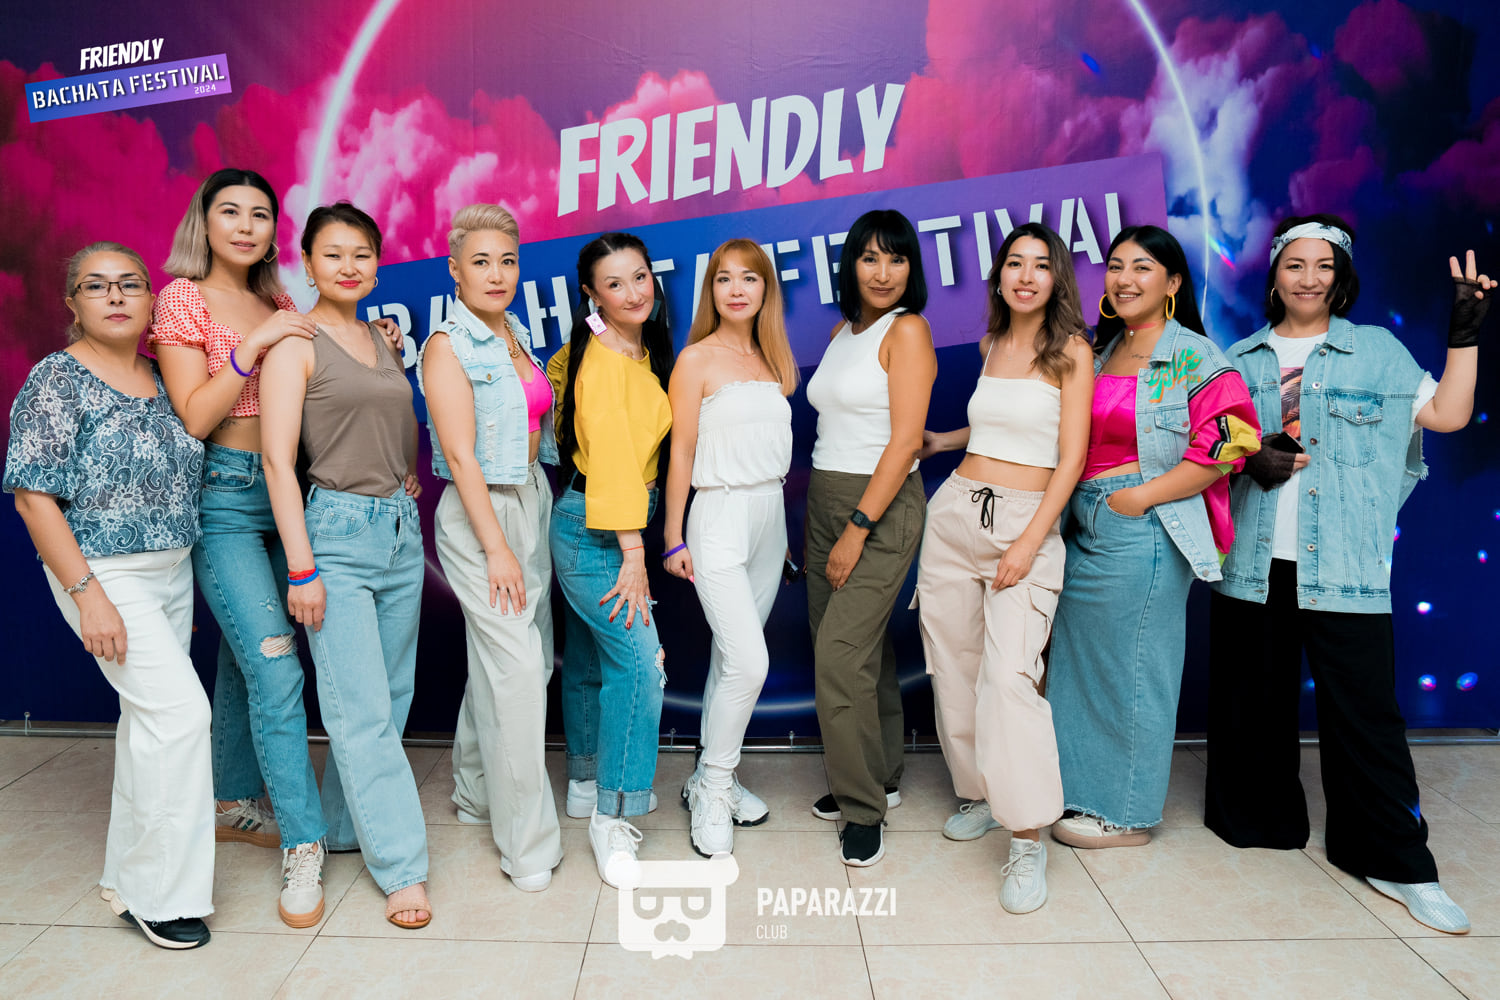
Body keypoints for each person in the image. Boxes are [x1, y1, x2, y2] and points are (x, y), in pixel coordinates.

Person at [1204, 215, 1489, 935]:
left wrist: (1464, 333)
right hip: (1252, 569)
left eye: (1323, 266)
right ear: (1274, 275)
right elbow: (1202, 454)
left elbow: (1449, 415)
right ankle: (1260, 824)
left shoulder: (1379, 353)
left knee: (1365, 717)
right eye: (1294, 265)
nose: (1308, 278)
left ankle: (1395, 860)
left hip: (1345, 568)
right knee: (1251, 705)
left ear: (1341, 277)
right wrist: (1245, 457)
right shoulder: (1236, 359)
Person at [6, 243, 211, 949]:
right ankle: (160, 897)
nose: (116, 296)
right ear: (73, 303)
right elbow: (33, 499)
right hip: (103, 573)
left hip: (172, 570)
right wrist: (88, 594)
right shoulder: (56, 380)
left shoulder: (163, 375)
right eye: (97, 286)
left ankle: (127, 875)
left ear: (152, 299)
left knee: (147, 721)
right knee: (182, 716)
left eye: (130, 284)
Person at [1046, 224, 1260, 851]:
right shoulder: (1101, 347)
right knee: (1081, 665)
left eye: (1142, 267)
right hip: (1083, 520)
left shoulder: (1192, 355)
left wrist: (1141, 496)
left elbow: (1233, 444)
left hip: (1144, 525)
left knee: (1136, 666)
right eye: (1116, 265)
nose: (1125, 278)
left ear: (1172, 283)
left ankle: (1127, 814)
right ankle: (1078, 791)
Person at [260, 202, 431, 929]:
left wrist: (403, 478)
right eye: (333, 254)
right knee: (359, 711)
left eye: (362, 253)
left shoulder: (383, 338)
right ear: (308, 264)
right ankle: (402, 869)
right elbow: (277, 460)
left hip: (399, 531)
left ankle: (340, 828)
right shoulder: (294, 344)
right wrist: (301, 567)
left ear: (377, 264)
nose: (349, 266)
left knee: (388, 698)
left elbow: (391, 424)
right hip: (333, 536)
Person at [916, 223, 1094, 911]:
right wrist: (944, 440)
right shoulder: (991, 343)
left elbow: (1069, 456)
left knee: (1009, 678)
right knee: (954, 667)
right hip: (957, 512)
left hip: (1026, 523)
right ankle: (982, 797)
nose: (1025, 275)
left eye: (1040, 265)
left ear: (1056, 279)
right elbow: (1002, 425)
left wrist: (1029, 542)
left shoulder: (1071, 350)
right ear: (999, 277)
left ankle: (1026, 839)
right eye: (1014, 263)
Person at [151, 168, 301, 864]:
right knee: (272, 660)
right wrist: (254, 344)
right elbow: (195, 415)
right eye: (231, 212)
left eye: (260, 214)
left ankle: (231, 800)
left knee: (245, 656)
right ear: (204, 222)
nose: (246, 226)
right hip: (227, 493)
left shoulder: (277, 297)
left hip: (289, 488)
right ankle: (293, 828)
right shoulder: (182, 298)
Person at [418, 203, 563, 891]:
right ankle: (526, 845)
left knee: (512, 662)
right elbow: (459, 455)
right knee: (518, 675)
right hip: (484, 515)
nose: (496, 273)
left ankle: (475, 789)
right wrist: (496, 548)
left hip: (531, 496)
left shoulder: (515, 334)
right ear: (455, 270)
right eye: (481, 262)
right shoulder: (447, 347)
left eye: (507, 260)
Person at [804, 209, 937, 867]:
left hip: (877, 508)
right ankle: (878, 773)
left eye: (897, 258)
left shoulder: (907, 330)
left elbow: (906, 440)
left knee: (839, 656)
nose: (883, 273)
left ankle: (862, 809)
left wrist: (858, 528)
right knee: (866, 653)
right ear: (850, 265)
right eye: (870, 258)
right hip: (824, 497)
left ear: (912, 269)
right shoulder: (843, 331)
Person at [662, 239, 798, 856]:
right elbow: (681, 451)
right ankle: (715, 786)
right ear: (710, 290)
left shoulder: (774, 360)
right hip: (717, 514)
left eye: (749, 278)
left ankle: (708, 777)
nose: (737, 289)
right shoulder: (695, 359)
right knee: (749, 661)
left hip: (770, 517)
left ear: (766, 288)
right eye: (724, 278)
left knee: (728, 659)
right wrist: (673, 536)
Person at [550, 232, 674, 888]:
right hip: (600, 530)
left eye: (640, 276)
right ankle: (613, 817)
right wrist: (634, 552)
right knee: (640, 665)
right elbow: (616, 460)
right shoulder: (603, 360)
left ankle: (584, 778)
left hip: (597, 516)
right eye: (615, 284)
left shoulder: (626, 346)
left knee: (592, 657)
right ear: (591, 294)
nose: (633, 292)